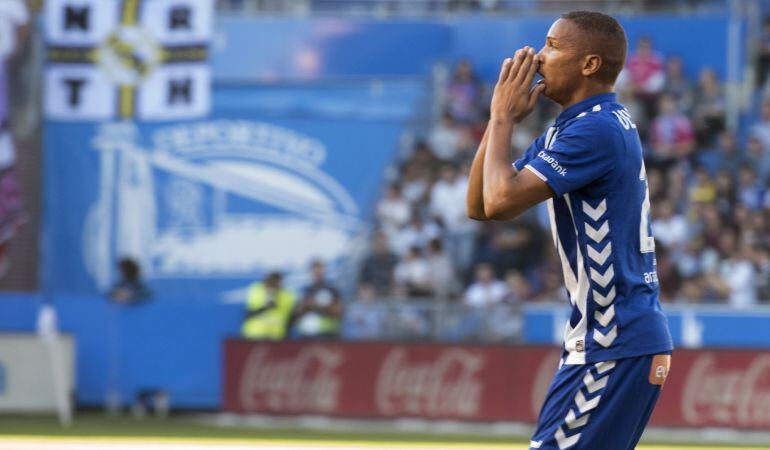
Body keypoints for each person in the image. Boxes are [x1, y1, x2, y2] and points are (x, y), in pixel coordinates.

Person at [466, 11, 673, 449]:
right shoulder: (580, 125)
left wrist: (504, 118)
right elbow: (481, 205)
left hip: (612, 342)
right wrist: (496, 120)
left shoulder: (594, 130)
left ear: (589, 64)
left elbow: (501, 201)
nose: (539, 58)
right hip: (612, 342)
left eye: (553, 46)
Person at [292, 260, 343, 339]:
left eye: (320, 270)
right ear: (311, 271)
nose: (318, 273)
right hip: (306, 335)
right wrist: (306, 305)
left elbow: (339, 312)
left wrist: (322, 306)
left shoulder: (332, 290)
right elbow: (296, 313)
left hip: (328, 334)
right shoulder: (304, 290)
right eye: (315, 271)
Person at [241, 272, 295, 340]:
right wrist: (265, 307)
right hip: (254, 335)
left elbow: (289, 319)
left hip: (277, 337)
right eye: (270, 282)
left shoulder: (287, 296)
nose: (272, 285)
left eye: (275, 282)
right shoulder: (256, 291)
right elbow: (248, 314)